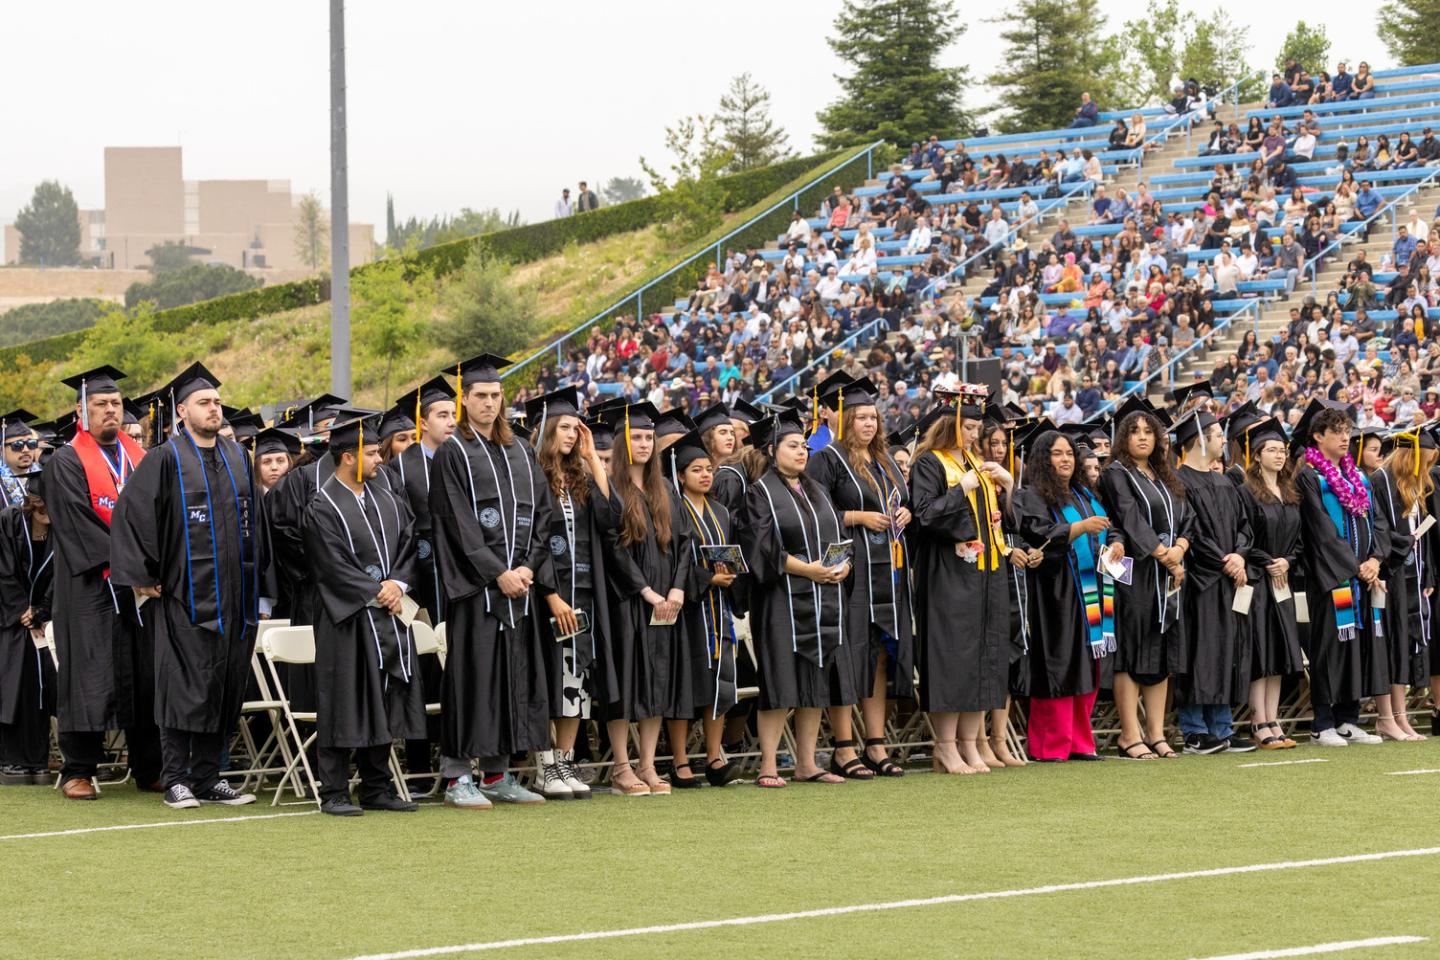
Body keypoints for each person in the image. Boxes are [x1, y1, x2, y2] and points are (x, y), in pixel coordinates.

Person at [110, 364, 267, 810]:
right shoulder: (166, 458)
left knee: (225, 686)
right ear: (182, 412)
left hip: (235, 599)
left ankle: (209, 777)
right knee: (183, 687)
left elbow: (256, 524)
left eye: (217, 402)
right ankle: (176, 777)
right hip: (187, 598)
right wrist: (145, 576)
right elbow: (133, 514)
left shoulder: (238, 457)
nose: (214, 408)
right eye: (204, 402)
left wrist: (261, 582)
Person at [430, 354, 552, 808]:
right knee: (472, 680)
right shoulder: (453, 452)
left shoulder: (520, 449)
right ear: (465, 399)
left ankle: (498, 774)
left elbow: (543, 515)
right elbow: (456, 523)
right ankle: (458, 777)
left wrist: (527, 568)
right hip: (477, 592)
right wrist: (496, 573)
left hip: (520, 589)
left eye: (496, 396)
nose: (489, 403)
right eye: (480, 396)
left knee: (511, 681)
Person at [298, 411, 425, 816]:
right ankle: (333, 790)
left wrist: (398, 586)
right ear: (347, 458)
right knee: (343, 698)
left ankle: (377, 786)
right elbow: (329, 565)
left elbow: (410, 546)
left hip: (388, 615)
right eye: (371, 453)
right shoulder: (321, 506)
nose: (380, 460)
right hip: (347, 620)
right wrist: (377, 592)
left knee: (385, 696)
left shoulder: (388, 498)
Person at [44, 366, 162, 799]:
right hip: (90, 589)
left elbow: (159, 516)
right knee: (88, 675)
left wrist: (154, 566)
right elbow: (78, 525)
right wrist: (135, 569)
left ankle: (150, 767)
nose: (111, 410)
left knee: (145, 676)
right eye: (100, 404)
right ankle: (78, 770)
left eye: (115, 403)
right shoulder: (65, 461)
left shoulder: (143, 457)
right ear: (81, 410)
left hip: (142, 590)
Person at [737, 409, 854, 788]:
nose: (802, 452)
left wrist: (843, 565)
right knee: (780, 681)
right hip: (780, 601)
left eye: (804, 445)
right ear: (772, 450)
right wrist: (809, 571)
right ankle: (769, 765)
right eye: (793, 445)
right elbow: (762, 548)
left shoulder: (816, 489)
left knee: (815, 679)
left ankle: (807, 763)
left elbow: (837, 535)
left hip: (823, 598)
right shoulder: (760, 493)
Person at [806, 375, 914, 778]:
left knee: (881, 657)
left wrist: (906, 513)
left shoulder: (885, 460)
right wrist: (856, 517)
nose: (868, 424)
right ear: (846, 420)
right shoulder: (828, 458)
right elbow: (813, 513)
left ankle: (876, 743)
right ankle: (844, 746)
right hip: (852, 574)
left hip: (890, 573)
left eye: (873, 417)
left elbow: (901, 500)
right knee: (849, 658)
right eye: (860, 417)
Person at [909, 385, 1013, 774]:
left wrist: (1008, 486)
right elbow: (925, 514)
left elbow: (999, 522)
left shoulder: (973, 462)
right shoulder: (929, 464)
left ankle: (971, 744)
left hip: (986, 572)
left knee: (983, 655)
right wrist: (961, 489)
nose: (974, 435)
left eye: (975, 428)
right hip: (949, 574)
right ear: (949, 425)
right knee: (953, 656)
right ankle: (946, 746)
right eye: (968, 427)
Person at [591, 400, 692, 796]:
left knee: (658, 682)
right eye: (636, 436)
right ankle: (621, 766)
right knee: (626, 683)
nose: (645, 444)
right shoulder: (611, 488)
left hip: (667, 602)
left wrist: (677, 588)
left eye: (650, 437)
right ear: (620, 441)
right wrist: (646, 591)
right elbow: (613, 546)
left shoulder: (664, 487)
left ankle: (648, 765)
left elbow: (684, 543)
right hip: (628, 601)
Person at [529, 387, 615, 800]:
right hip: (550, 592)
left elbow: (609, 517)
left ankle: (565, 761)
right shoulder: (534, 475)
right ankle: (545, 765)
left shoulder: (580, 476)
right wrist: (550, 593)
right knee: (550, 678)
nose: (570, 434)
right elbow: (535, 540)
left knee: (575, 679)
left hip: (583, 592)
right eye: (563, 427)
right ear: (547, 430)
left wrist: (594, 458)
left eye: (574, 428)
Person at [1095, 398, 1192, 760]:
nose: (1142, 437)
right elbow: (1128, 517)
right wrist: (1164, 555)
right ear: (1123, 436)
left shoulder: (1165, 475)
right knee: (1132, 652)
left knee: (1162, 650)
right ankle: (1128, 734)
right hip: (1134, 575)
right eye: (1134, 431)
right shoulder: (1116, 474)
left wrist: (1181, 547)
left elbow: (1188, 516)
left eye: (1149, 432)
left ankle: (1156, 732)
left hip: (1166, 575)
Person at [1013, 429, 1114, 762]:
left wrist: (1118, 543)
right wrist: (1079, 529)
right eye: (1057, 454)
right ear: (1044, 458)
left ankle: (1080, 742)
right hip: (1055, 591)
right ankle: (1051, 744)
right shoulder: (1032, 495)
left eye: (1069, 453)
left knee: (1087, 664)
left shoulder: (1084, 494)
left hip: (1091, 593)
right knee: (1058, 663)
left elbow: (1110, 527)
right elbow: (1037, 533)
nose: (1066, 459)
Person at [1292, 399, 1386, 747]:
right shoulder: (1309, 476)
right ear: (1318, 436)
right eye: (1337, 432)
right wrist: (1355, 566)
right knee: (1329, 648)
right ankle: (1322, 722)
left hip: (1363, 576)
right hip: (1332, 577)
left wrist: (1376, 559)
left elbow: (1378, 522)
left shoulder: (1358, 475)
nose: (1346, 438)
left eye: (1348, 431)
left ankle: (1349, 718)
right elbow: (1320, 531)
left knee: (1356, 647)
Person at [662, 427, 744, 788]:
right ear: (680, 476)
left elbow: (727, 555)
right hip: (687, 610)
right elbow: (670, 561)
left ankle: (714, 756)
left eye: (708, 469)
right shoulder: (672, 509)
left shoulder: (722, 512)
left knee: (721, 683)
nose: (705, 474)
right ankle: (679, 760)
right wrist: (705, 579)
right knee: (685, 683)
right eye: (696, 470)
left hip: (718, 609)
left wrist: (729, 572)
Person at [1171, 407, 1255, 755]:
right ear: (1201, 440)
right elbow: (1192, 533)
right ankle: (1194, 730)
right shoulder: (1180, 482)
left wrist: (1240, 554)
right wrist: (1224, 560)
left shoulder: (1225, 482)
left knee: (1226, 652)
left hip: (1229, 580)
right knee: (1200, 653)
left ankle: (1221, 726)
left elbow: (1245, 527)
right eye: (1219, 434)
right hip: (1201, 581)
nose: (1224, 440)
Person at [1236, 417, 1303, 749]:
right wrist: (1267, 561)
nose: (1279, 455)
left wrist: (1287, 561)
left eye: (1283, 450)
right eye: (1272, 450)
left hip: (1283, 581)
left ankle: (1274, 720)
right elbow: (1244, 536)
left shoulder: (1290, 492)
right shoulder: (1246, 492)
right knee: (1261, 652)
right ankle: (1258, 721)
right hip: (1258, 582)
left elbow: (1301, 541)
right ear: (1257, 454)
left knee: (1280, 652)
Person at [1369, 427, 1435, 742]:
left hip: (1408, 576)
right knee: (1388, 643)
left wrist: (1428, 574)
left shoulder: (1409, 485)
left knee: (1402, 645)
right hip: (1386, 573)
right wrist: (1405, 543)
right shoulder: (1380, 481)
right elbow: (1377, 529)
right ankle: (1387, 717)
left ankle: (1400, 715)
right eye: (1424, 461)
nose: (1426, 470)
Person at [381, 376, 456, 625]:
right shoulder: (399, 467)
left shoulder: (466, 458)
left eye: (454, 414)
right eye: (443, 415)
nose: (452, 422)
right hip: (421, 571)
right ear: (423, 423)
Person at [0, 467, 55, 784]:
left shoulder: (62, 528)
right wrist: (22, 609)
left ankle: (36, 758)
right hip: (10, 620)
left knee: (40, 689)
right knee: (13, 687)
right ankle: (11, 759)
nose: (47, 512)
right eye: (42, 505)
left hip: (43, 621)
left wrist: (43, 609)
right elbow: (3, 569)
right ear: (32, 502)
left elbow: (64, 570)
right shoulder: (9, 521)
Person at [0, 409, 41, 509]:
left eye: (31, 443)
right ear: (1, 450)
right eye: (17, 445)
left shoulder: (45, 477)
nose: (26, 450)